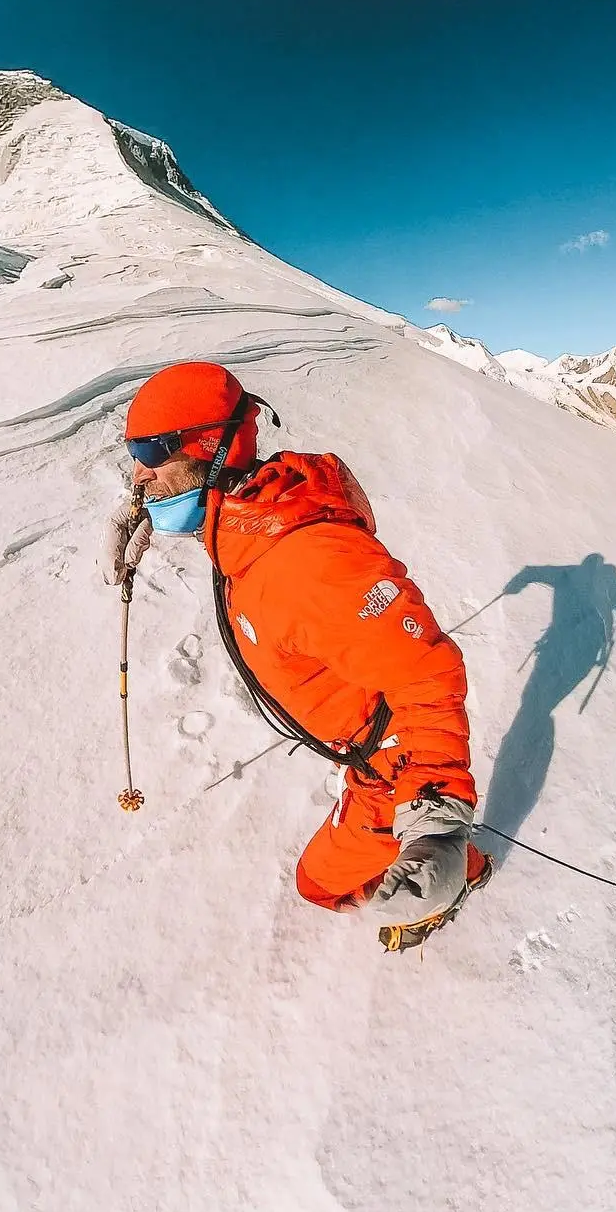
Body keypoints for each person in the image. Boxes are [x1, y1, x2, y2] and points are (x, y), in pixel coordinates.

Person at [100, 361, 490, 949]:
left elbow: (426, 672)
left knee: (319, 886)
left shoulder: (309, 563)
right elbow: (196, 503)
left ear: (208, 448)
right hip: (362, 746)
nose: (138, 472)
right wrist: (141, 513)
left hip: (391, 770)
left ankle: (454, 872)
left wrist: (437, 826)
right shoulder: (245, 521)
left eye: (152, 453)